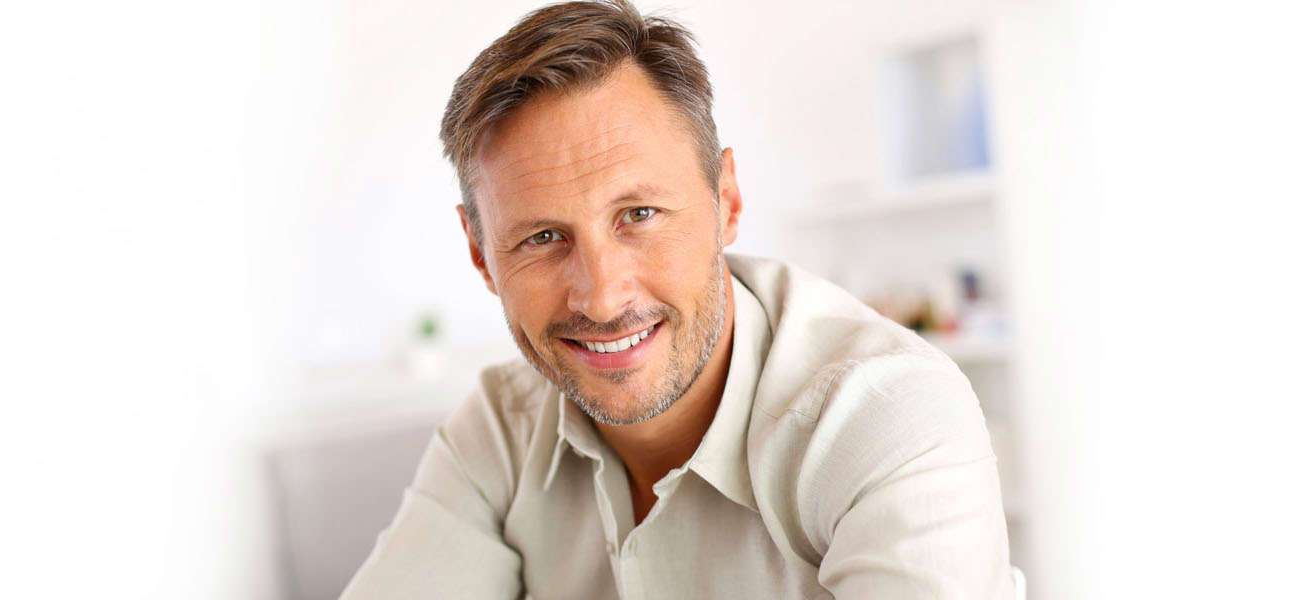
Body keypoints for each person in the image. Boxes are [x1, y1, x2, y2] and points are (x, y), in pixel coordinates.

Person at [342, 1, 1015, 597]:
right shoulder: (498, 432)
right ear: (479, 254)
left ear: (726, 201)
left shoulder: (888, 415)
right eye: (543, 237)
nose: (602, 297)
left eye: (638, 215)